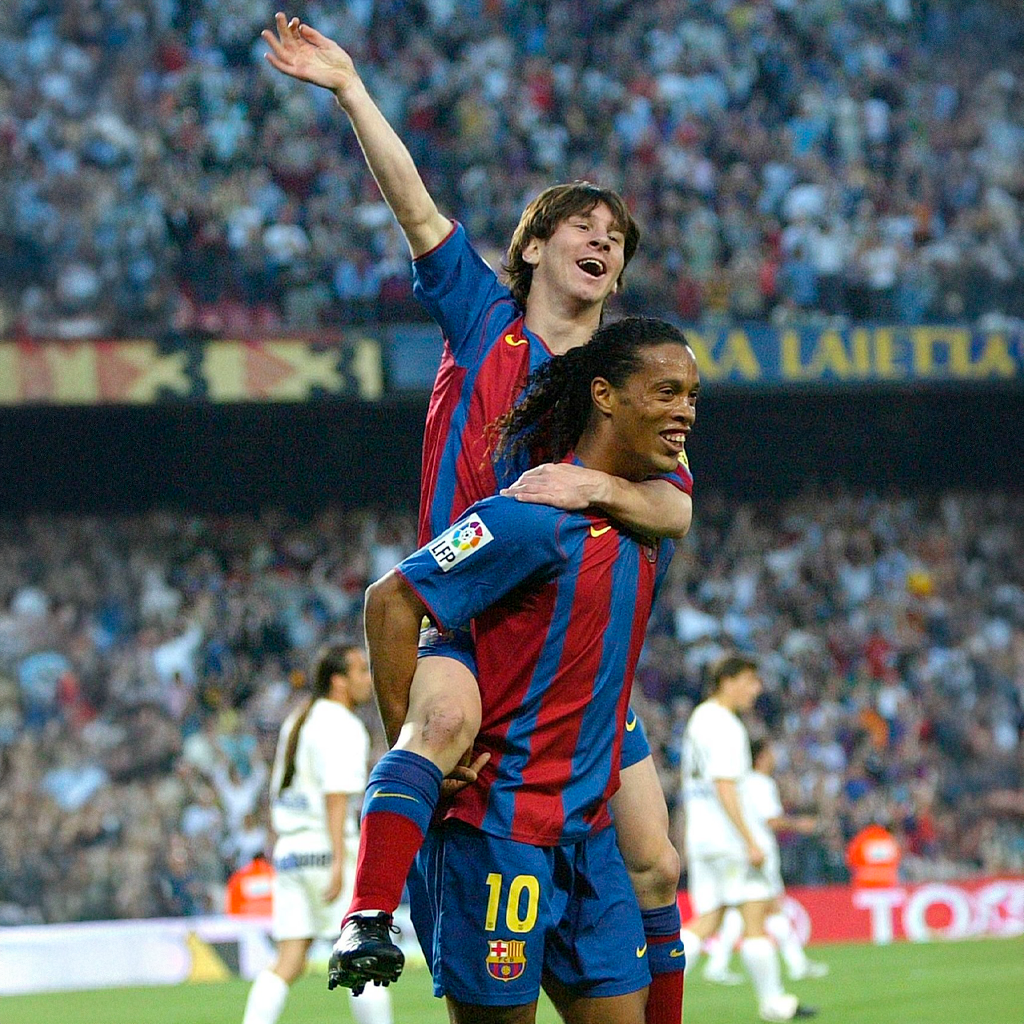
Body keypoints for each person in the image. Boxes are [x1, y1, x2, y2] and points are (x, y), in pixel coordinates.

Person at [261, 14, 691, 1023]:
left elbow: (673, 504)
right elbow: (414, 205)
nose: (602, 238)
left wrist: (592, 489)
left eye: (616, 236)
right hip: (470, 616)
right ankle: (369, 913)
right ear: (533, 246)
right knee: (444, 727)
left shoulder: (623, 384)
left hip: (572, 653)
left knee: (658, 861)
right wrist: (351, 89)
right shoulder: (483, 317)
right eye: (582, 225)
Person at [335, 316, 699, 1023]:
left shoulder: (653, 509)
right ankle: (367, 913)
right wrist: (412, 744)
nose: (685, 411)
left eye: (692, 396)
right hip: (498, 833)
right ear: (605, 396)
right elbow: (391, 600)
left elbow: (677, 508)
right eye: (666, 393)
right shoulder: (525, 516)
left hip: (587, 832)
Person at [239, 642, 392, 1024]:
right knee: (364, 953)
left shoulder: (300, 718)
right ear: (338, 681)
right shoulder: (342, 724)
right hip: (327, 847)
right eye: (361, 671)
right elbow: (335, 795)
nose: (368, 679)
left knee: (288, 962)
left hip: (292, 850)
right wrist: (339, 861)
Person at [678, 655, 816, 1023]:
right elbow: (725, 786)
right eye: (750, 681)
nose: (756, 689)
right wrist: (749, 840)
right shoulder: (725, 724)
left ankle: (655, 995)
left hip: (702, 836)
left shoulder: (699, 718)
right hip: (729, 839)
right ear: (727, 681)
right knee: (755, 916)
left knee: (709, 919)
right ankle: (774, 1003)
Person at [700, 738, 829, 986]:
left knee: (758, 907)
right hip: (759, 852)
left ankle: (793, 963)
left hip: (747, 850)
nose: (775, 757)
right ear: (760, 757)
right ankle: (793, 966)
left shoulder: (743, 782)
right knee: (761, 907)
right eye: (771, 752)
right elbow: (771, 820)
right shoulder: (760, 783)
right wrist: (800, 824)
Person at [845, 822, 901, 888]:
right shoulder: (888, 839)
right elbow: (897, 858)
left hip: (865, 884)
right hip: (887, 883)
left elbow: (851, 860)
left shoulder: (861, 840)